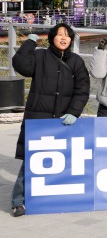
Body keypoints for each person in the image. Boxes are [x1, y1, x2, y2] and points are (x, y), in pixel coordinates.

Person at [11, 24, 90, 217]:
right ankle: (18, 201)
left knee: (61, 159)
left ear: (71, 40)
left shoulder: (76, 61)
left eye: (67, 36)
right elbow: (20, 65)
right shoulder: (39, 56)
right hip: (39, 118)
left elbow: (82, 90)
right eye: (59, 35)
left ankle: (53, 198)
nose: (63, 38)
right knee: (31, 160)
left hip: (63, 119)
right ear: (52, 37)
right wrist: (29, 43)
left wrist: (74, 112)